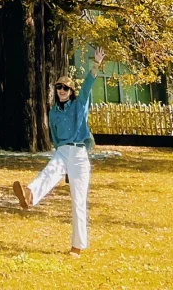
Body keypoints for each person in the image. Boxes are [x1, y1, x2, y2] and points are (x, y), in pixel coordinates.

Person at [12, 46, 106, 253]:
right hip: (63, 151)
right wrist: (61, 158)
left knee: (78, 201)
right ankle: (29, 195)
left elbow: (89, 86)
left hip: (80, 154)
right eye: (59, 88)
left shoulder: (79, 105)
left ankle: (77, 246)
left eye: (66, 88)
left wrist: (96, 64)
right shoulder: (53, 113)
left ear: (71, 92)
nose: (62, 91)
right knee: (49, 171)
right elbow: (54, 138)